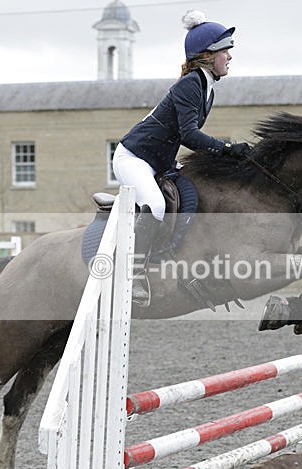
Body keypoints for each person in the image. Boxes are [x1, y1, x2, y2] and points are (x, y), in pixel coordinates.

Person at [113, 10, 251, 306]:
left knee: (191, 195)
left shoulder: (205, 87)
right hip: (134, 158)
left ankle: (171, 257)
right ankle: (132, 273)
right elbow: (189, 135)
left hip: (159, 161)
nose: (229, 56)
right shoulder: (191, 84)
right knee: (157, 205)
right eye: (225, 50)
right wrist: (226, 149)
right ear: (208, 55)